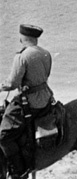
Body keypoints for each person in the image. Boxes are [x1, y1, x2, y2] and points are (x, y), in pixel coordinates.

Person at [0, 24, 54, 179]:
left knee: (3, 135)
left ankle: (18, 169)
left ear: (22, 38)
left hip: (30, 102)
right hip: (46, 97)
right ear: (35, 38)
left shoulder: (22, 56)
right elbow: (45, 75)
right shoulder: (46, 53)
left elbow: (12, 84)